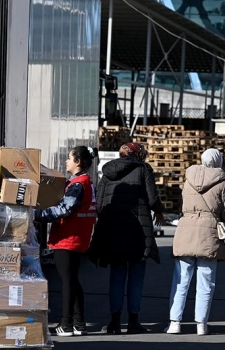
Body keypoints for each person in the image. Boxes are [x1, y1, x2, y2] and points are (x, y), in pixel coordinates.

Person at [87, 142, 165, 334]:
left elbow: (100, 202)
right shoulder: (143, 169)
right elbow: (152, 197)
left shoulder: (107, 171)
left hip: (113, 231)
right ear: (138, 154)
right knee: (136, 277)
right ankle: (133, 321)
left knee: (117, 276)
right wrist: (159, 212)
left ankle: (114, 322)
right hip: (138, 231)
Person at [167, 148, 225, 336]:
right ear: (218, 161)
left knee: (181, 280)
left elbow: (184, 205)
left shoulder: (188, 180)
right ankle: (201, 324)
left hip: (186, 229)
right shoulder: (223, 183)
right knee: (206, 281)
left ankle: (174, 323)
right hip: (208, 232)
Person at [35, 146, 98, 337]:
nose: (66, 161)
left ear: (78, 162)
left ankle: (67, 324)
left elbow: (64, 209)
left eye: (69, 158)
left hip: (68, 238)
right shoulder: (85, 182)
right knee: (73, 280)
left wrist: (36, 215)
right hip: (77, 237)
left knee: (67, 282)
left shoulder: (78, 184)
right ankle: (79, 324)